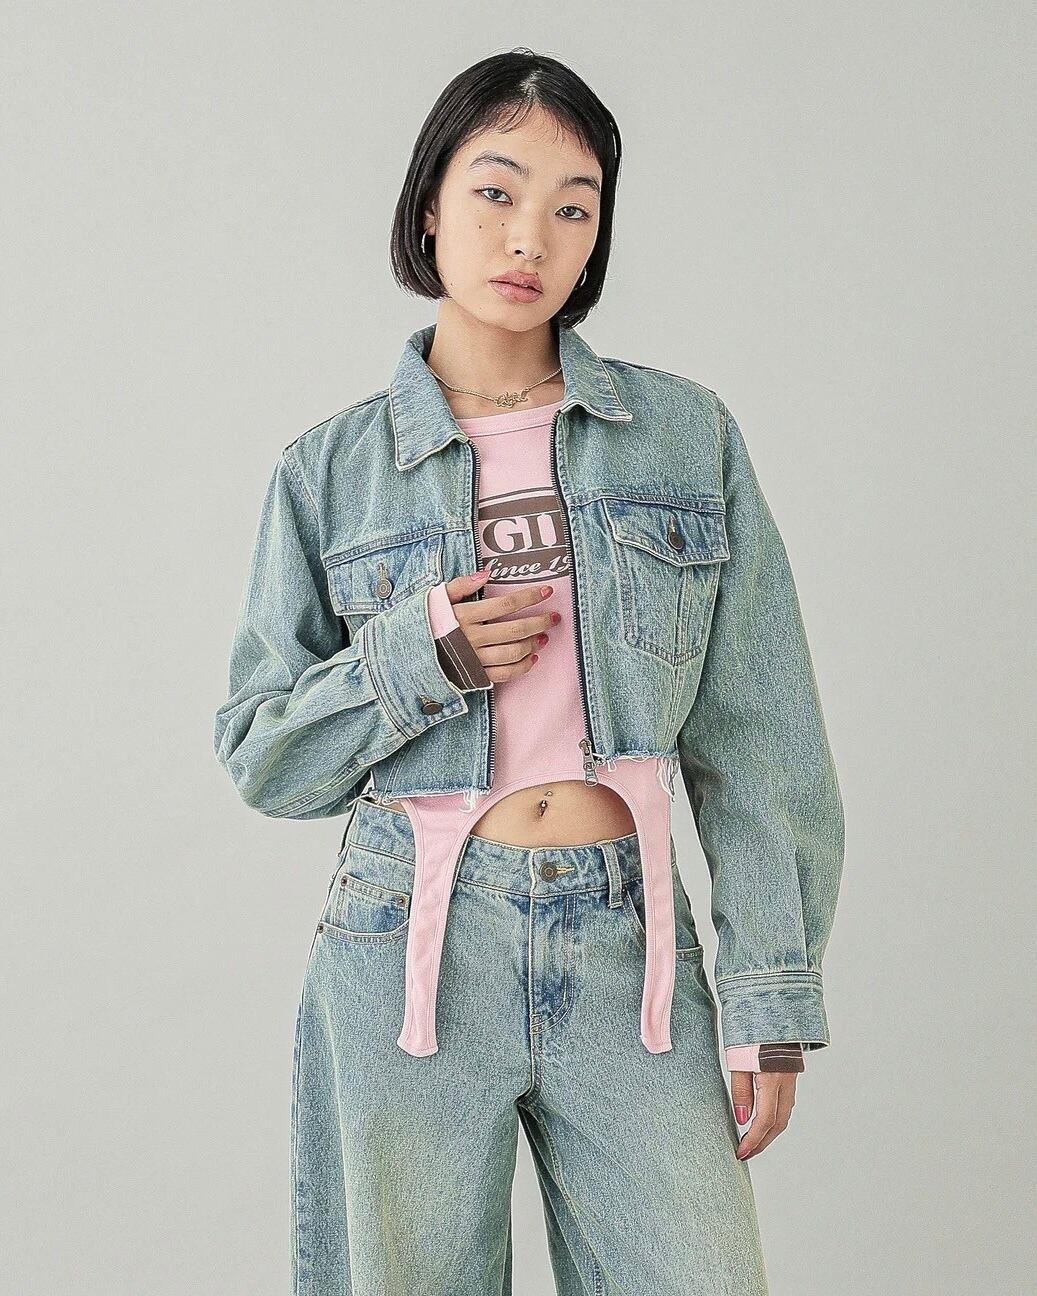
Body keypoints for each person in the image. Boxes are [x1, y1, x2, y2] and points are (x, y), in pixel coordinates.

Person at [213, 47, 844, 1296]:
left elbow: (760, 738)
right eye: (495, 192)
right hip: (406, 944)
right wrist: (416, 659)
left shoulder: (685, 437)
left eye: (572, 207)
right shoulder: (328, 472)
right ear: (428, 206)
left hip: (628, 946)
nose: (529, 238)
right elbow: (263, 755)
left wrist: (769, 990)